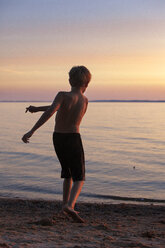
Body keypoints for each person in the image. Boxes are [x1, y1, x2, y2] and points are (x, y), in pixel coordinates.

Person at [22, 66, 91, 223]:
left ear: (69, 80)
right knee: (79, 177)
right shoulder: (85, 100)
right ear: (86, 84)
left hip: (58, 138)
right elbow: (56, 108)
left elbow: (53, 109)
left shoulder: (62, 95)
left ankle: (64, 207)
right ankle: (70, 206)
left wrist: (32, 130)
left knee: (67, 174)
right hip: (73, 138)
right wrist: (38, 111)